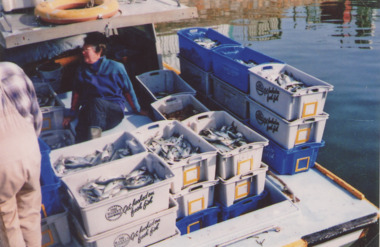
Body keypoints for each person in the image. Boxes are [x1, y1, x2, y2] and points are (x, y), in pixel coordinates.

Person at [63, 32, 143, 143]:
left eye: (87, 50)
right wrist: (71, 115)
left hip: (113, 113)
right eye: (83, 49)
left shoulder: (116, 67)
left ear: (99, 51)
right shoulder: (81, 71)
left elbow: (128, 91)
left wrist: (137, 110)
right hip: (91, 112)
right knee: (81, 128)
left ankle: (95, 143)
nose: (83, 52)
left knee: (96, 103)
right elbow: (76, 94)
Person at [0, 62, 43, 247]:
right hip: (29, 151)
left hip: (2, 163)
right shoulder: (12, 70)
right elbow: (37, 116)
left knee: (8, 222)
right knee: (31, 216)